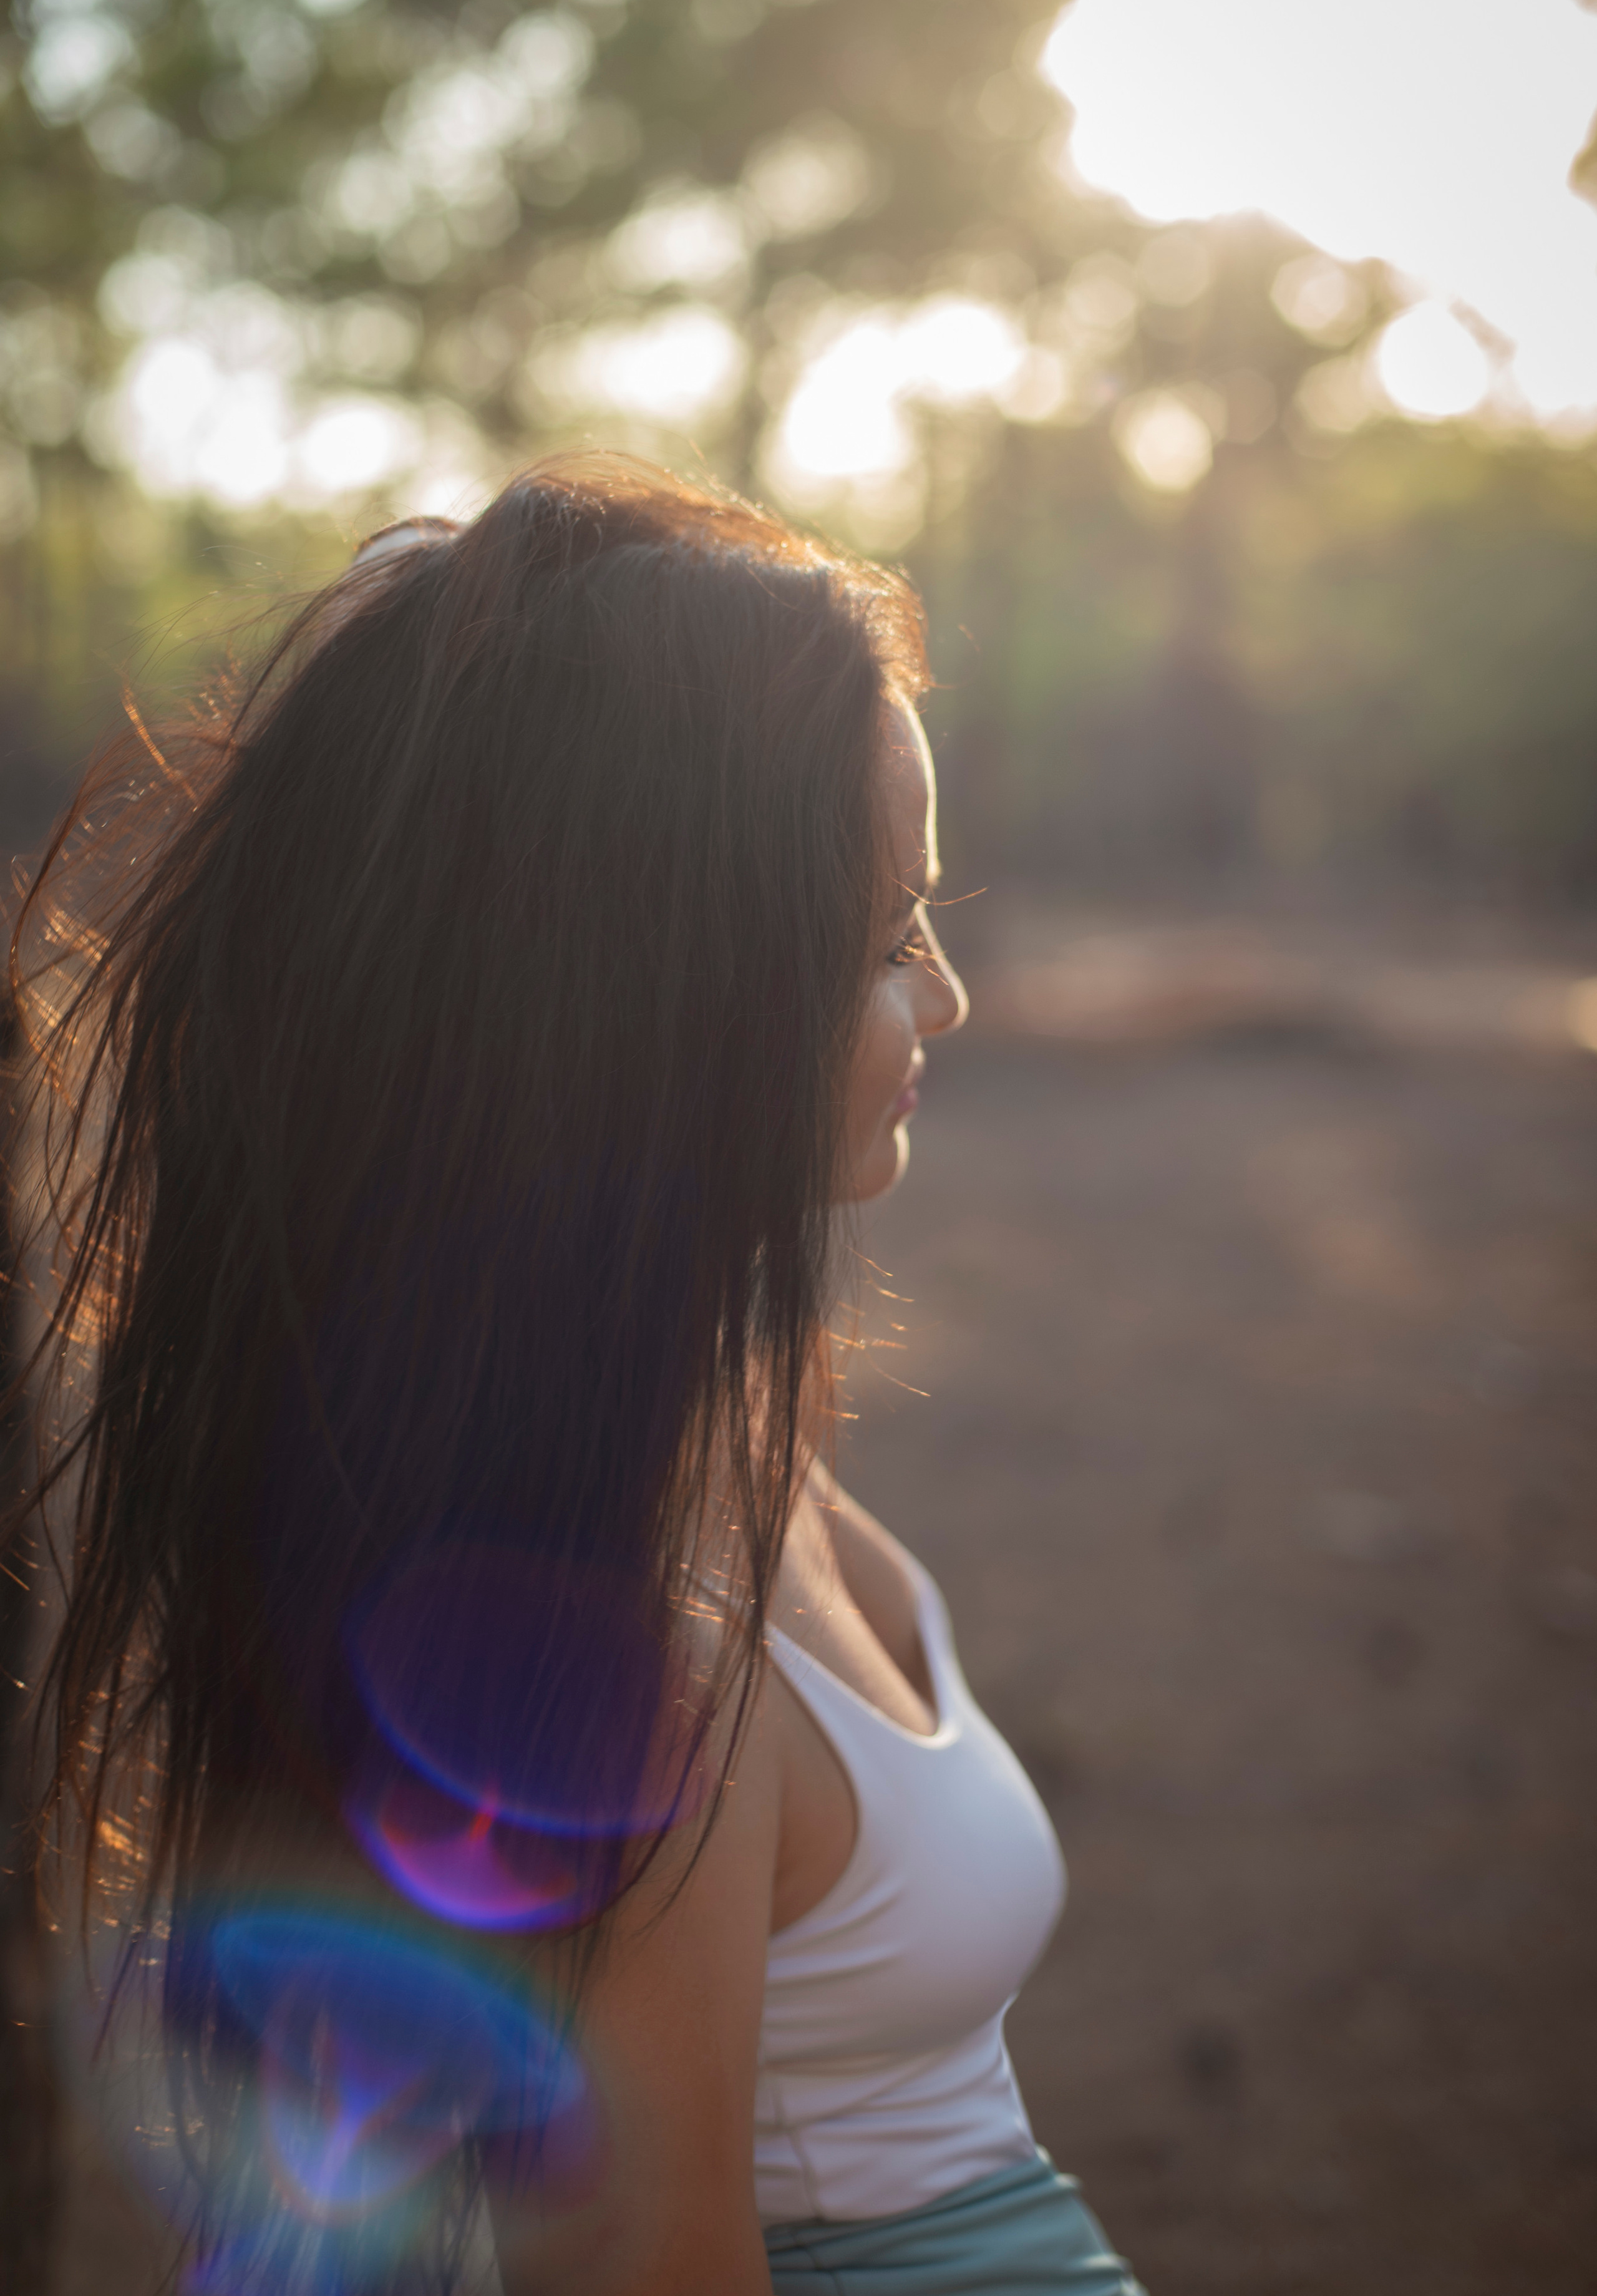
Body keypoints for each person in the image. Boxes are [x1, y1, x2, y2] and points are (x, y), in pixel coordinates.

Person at [5, 456, 1143, 2295]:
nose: (944, 995)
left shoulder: (712, 1411)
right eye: (882, 941)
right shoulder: (627, 1672)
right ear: (668, 1003)